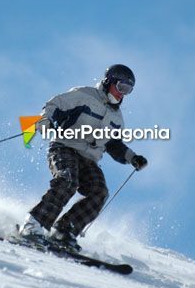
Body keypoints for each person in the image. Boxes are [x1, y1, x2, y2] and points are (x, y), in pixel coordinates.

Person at [19, 64, 148, 252]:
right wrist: (45, 120)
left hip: (88, 159)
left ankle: (63, 232)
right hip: (65, 147)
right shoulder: (84, 95)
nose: (123, 94)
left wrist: (132, 157)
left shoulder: (117, 118)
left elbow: (113, 144)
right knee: (67, 180)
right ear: (108, 82)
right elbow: (55, 105)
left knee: (99, 192)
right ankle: (33, 225)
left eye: (128, 90)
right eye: (121, 87)